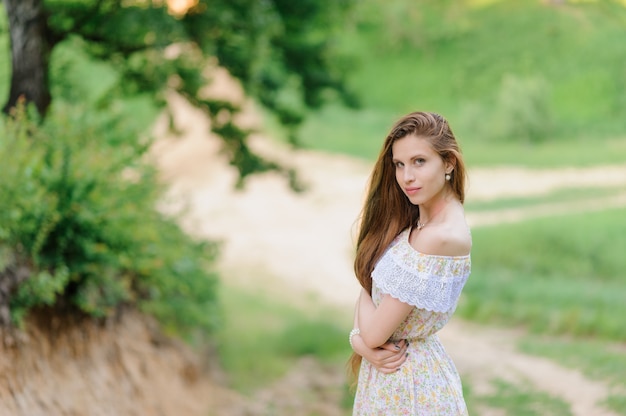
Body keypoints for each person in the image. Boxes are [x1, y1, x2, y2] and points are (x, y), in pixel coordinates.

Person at [347, 111, 471, 415]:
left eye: (419, 161)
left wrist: (361, 343)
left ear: (448, 163)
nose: (407, 177)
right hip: (392, 378)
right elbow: (374, 299)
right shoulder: (417, 221)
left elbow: (375, 331)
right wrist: (361, 340)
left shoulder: (439, 237)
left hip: (412, 386)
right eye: (399, 165)